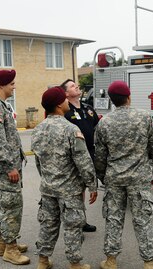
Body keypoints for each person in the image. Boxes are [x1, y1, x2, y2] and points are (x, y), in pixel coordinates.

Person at [94, 80, 153, 269]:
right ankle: (150, 262)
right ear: (128, 97)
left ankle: (110, 262)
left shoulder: (104, 122)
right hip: (139, 178)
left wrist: (102, 176)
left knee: (113, 218)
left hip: (114, 179)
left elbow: (99, 156)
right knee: (142, 219)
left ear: (111, 101)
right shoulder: (145, 117)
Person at [31, 86, 98, 269]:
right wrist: (92, 185)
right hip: (69, 190)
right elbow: (83, 160)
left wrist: (47, 179)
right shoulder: (71, 129)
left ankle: (42, 262)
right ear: (59, 105)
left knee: (48, 224)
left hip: (48, 187)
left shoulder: (38, 129)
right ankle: (75, 265)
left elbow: (38, 161)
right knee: (72, 226)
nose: (68, 102)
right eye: (64, 100)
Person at [0, 69, 29, 265]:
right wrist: (10, 166)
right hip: (3, 168)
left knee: (4, 204)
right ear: (1, 85)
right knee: (12, 206)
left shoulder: (1, 105)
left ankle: (4, 242)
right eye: (11, 83)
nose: (14, 86)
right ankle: (11, 249)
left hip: (1, 166)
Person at [60, 79, 99, 233]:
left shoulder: (87, 108)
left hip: (90, 152)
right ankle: (73, 220)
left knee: (82, 186)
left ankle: (81, 220)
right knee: (75, 189)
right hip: (73, 155)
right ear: (66, 93)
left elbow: (97, 127)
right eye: (72, 86)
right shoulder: (64, 111)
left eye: (76, 84)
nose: (76, 86)